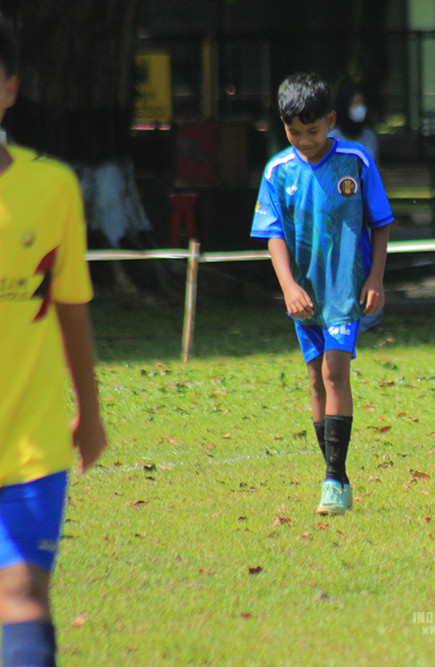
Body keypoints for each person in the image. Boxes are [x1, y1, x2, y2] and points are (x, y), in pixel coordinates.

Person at [0, 14, 108, 666]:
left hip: (32, 445)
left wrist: (89, 414)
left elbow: (71, 311)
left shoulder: (52, 188)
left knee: (23, 595)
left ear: (10, 87)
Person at [251, 72, 393, 515]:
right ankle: (339, 473)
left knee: (334, 373)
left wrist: (375, 279)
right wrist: (288, 286)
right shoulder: (278, 171)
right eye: (295, 132)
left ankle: (332, 479)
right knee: (315, 382)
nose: (305, 140)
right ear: (282, 124)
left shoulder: (356, 160)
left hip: (345, 292)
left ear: (331, 120)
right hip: (304, 295)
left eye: (313, 131)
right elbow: (272, 234)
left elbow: (381, 222)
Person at [333, 83, 383, 332]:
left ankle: (369, 319)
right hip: (337, 220)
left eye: (361, 103)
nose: (358, 109)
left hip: (364, 216)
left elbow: (375, 179)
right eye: (354, 103)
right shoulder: (331, 139)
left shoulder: (370, 139)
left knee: (368, 267)